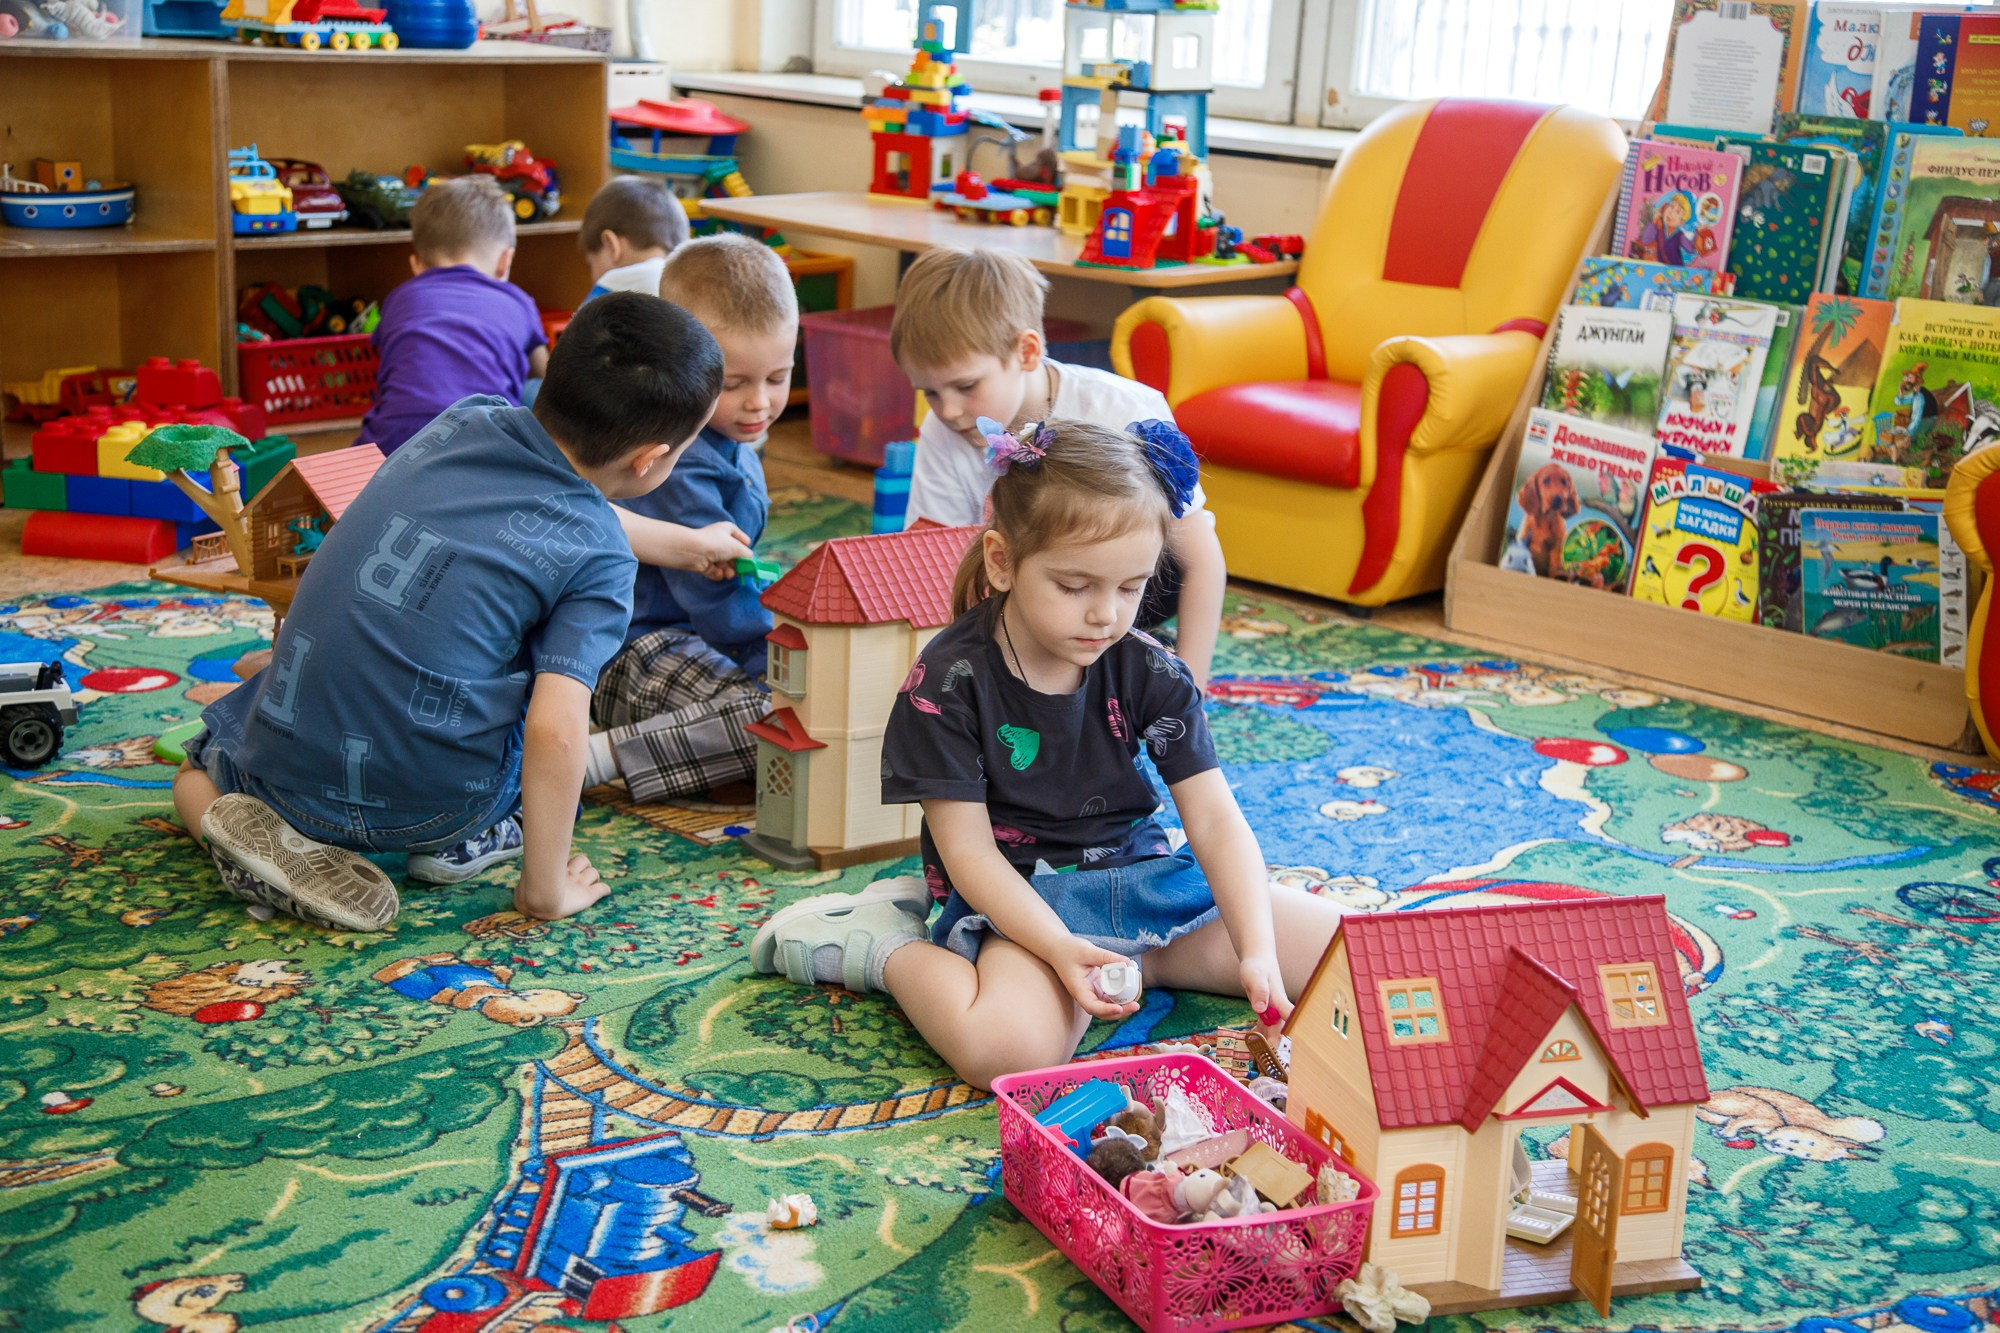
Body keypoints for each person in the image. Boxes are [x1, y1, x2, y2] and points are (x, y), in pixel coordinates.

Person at [748, 417, 1348, 1090]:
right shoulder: (947, 684)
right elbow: (971, 855)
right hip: (1023, 906)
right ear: (1002, 561)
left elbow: (1212, 820)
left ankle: (1141, 961)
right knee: (1004, 1051)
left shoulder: (1150, 669)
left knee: (1357, 955)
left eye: (1131, 588)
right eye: (1075, 585)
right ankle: (882, 947)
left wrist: (1257, 949)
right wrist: (1060, 950)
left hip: (1139, 883)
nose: (1106, 615)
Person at [173, 293, 725, 931]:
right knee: (540, 739)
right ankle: (467, 843)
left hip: (288, 767)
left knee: (194, 774)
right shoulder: (603, 565)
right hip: (439, 803)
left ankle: (242, 841)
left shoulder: (464, 421)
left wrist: (685, 545)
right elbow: (557, 729)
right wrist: (545, 890)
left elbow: (556, 511)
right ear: (650, 459)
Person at [889, 247, 1227, 689]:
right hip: (1012, 593)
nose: (948, 410)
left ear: (1026, 351)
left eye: (966, 386)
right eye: (930, 392)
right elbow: (933, 565)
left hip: (1133, 585)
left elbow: (1201, 563)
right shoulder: (943, 430)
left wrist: (1192, 692)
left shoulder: (1123, 407)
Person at [581, 235, 795, 803]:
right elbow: (719, 600)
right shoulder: (677, 461)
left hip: (698, 642)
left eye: (778, 378)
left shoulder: (731, 437)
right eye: (733, 385)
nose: (760, 404)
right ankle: (595, 758)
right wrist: (775, 660)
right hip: (630, 652)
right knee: (785, 718)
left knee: (802, 715)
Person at [360, 176, 550, 455]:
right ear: (504, 261)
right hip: (487, 448)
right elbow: (546, 374)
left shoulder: (399, 298)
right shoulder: (518, 301)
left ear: (416, 264)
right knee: (534, 390)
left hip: (391, 448)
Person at [579, 175, 692, 303]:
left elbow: (581, 323)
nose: (592, 277)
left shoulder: (613, 285)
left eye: (590, 264)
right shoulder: (692, 283)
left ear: (611, 245)